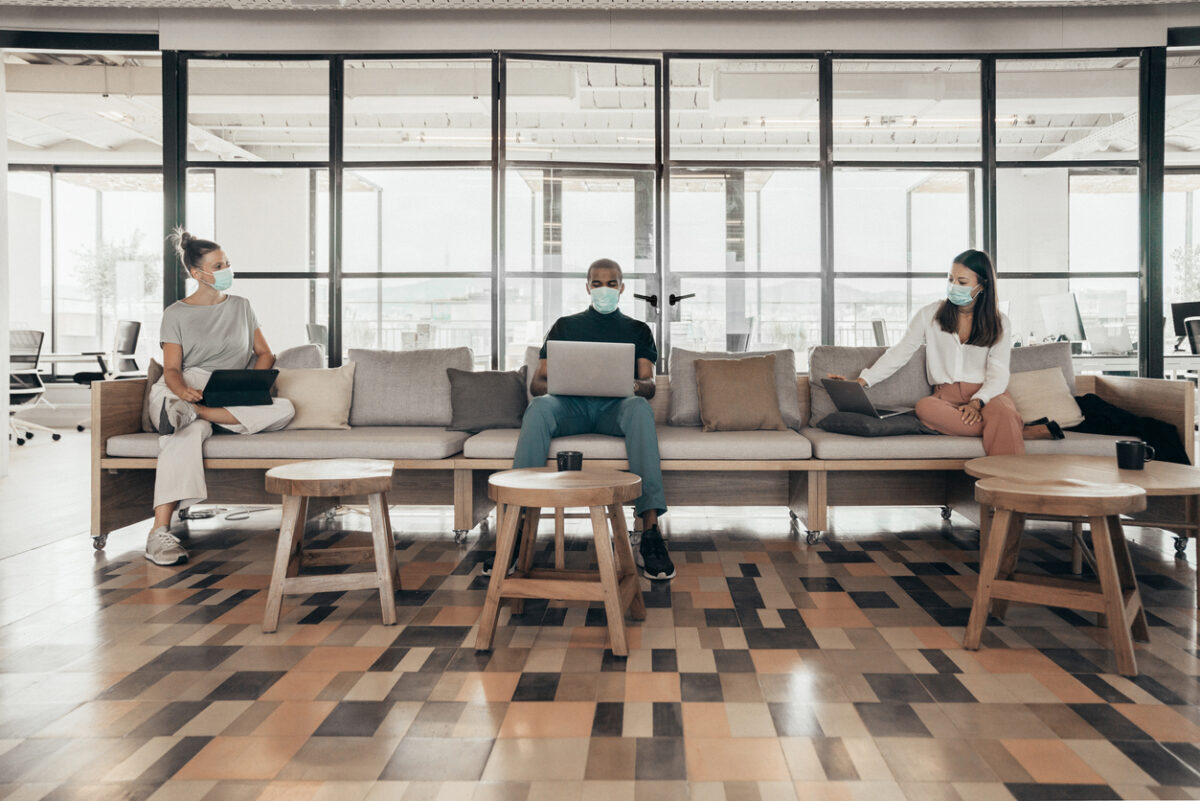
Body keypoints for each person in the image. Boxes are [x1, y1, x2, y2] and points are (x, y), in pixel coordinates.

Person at [491, 258, 674, 580]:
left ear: (622, 287)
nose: (605, 289)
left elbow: (649, 386)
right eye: (598, 283)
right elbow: (537, 384)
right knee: (539, 408)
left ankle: (650, 530)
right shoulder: (565, 326)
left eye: (612, 283)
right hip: (569, 408)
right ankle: (515, 528)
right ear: (588, 287)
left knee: (640, 409)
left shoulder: (637, 329)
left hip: (614, 410)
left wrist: (631, 384)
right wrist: (561, 384)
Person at [144, 230, 295, 566]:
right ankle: (159, 534)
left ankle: (200, 414)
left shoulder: (242, 307)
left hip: (227, 391)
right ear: (198, 274)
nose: (228, 268)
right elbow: (171, 369)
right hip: (188, 385)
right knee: (182, 435)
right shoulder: (177, 314)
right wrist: (182, 391)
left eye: (227, 262)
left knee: (285, 408)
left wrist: (253, 385)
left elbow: (265, 353)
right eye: (219, 265)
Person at [829, 249, 1060, 455]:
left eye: (962, 281)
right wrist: (862, 381)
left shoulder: (1000, 322)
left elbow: (999, 373)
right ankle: (1018, 430)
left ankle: (1007, 492)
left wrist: (977, 402)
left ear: (983, 285)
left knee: (1002, 412)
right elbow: (900, 352)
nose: (953, 286)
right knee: (924, 408)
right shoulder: (930, 314)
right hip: (945, 399)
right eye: (950, 279)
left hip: (989, 395)